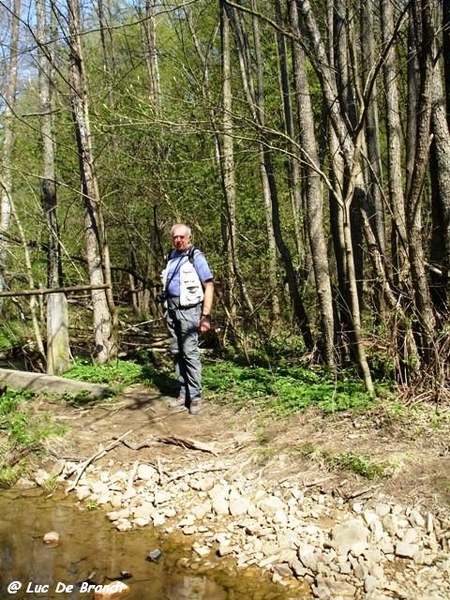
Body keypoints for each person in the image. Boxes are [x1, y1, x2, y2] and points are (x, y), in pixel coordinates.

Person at [161, 223, 214, 415]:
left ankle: (195, 397)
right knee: (176, 352)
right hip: (172, 309)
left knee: (189, 351)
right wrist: (166, 310)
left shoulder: (196, 257)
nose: (178, 240)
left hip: (190, 310)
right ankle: (183, 394)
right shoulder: (170, 256)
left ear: (189, 237)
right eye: (175, 237)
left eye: (182, 237)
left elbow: (209, 286)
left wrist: (205, 316)